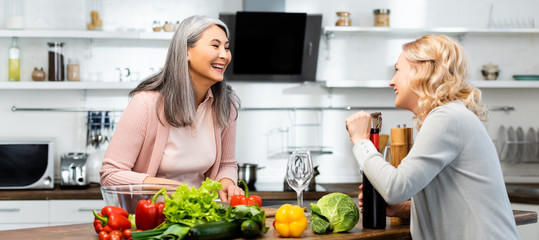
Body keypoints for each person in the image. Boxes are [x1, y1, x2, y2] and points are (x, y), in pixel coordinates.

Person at [345, 35, 520, 239]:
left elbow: (396, 187)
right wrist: (403, 209)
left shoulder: (447, 118)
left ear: (422, 70)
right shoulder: (449, 116)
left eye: (398, 69)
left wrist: (361, 141)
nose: (391, 81)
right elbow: (451, 201)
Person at [100, 15, 243, 202]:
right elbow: (110, 175)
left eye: (226, 47)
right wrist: (170, 188)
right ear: (186, 51)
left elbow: (226, 164)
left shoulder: (225, 104)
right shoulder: (146, 103)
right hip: (152, 219)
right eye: (215, 46)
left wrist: (227, 182)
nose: (224, 55)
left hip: (202, 219)